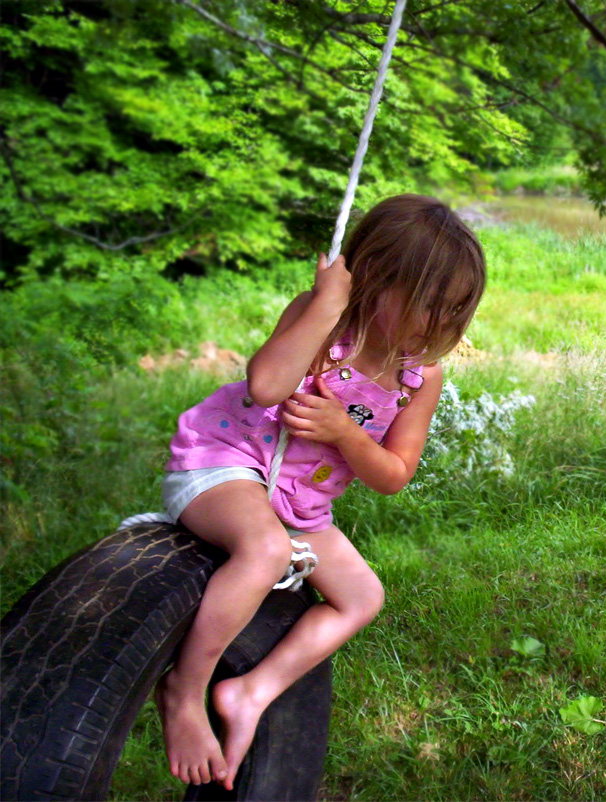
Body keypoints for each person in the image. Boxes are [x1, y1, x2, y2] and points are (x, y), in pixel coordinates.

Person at [154, 194, 485, 790]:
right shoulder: (324, 321)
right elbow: (265, 386)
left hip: (298, 504)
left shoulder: (420, 376)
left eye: (455, 308)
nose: (442, 322)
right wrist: (328, 302)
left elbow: (393, 475)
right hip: (226, 461)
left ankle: (251, 691)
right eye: (430, 304)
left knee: (362, 597)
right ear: (377, 280)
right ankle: (184, 692)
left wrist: (344, 433)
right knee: (265, 552)